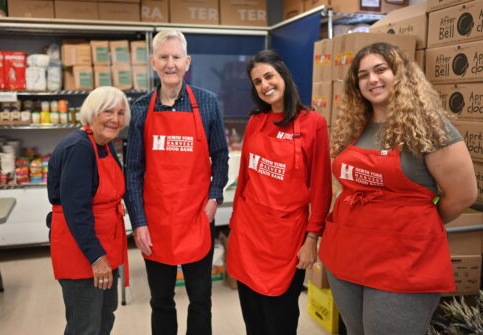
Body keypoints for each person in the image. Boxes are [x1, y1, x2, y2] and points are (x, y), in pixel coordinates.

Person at [318, 42, 478, 335]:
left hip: (402, 260)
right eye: (363, 75)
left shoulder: (430, 127)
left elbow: (463, 195)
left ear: (401, 74)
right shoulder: (355, 124)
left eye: (381, 70)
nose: (372, 80)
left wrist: (412, 222)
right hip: (347, 254)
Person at [124, 30, 228, 335]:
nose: (171, 64)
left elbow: (220, 156)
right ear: (153, 62)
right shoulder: (141, 108)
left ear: (187, 62)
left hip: (197, 218)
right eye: (164, 57)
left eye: (177, 57)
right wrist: (138, 221)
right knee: (161, 301)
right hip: (155, 224)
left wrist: (214, 198)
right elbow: (132, 170)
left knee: (200, 300)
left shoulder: (207, 103)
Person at [226, 50, 332, 335]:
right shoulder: (255, 122)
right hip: (249, 235)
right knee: (253, 319)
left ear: (283, 75)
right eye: (257, 81)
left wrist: (312, 239)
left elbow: (321, 187)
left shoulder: (313, 124)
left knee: (280, 320)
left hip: (286, 239)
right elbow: (244, 178)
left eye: (269, 76)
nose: (264, 85)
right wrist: (235, 226)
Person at [47, 86, 131, 335]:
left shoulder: (103, 144)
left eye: (120, 112)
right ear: (92, 112)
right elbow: (76, 211)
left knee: (105, 315)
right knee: (85, 325)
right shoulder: (79, 148)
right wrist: (96, 258)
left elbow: (98, 191)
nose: (115, 119)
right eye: (108, 111)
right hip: (83, 252)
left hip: (105, 245)